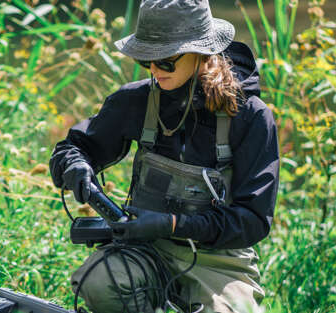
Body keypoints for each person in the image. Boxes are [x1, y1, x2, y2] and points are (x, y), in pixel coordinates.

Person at [49, 0, 279, 312]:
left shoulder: (250, 116)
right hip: (143, 247)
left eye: (165, 61)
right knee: (99, 281)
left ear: (202, 52)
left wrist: (171, 224)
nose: (155, 71)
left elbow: (252, 222)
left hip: (219, 262)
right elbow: (72, 147)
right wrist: (75, 166)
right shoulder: (136, 100)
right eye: (146, 61)